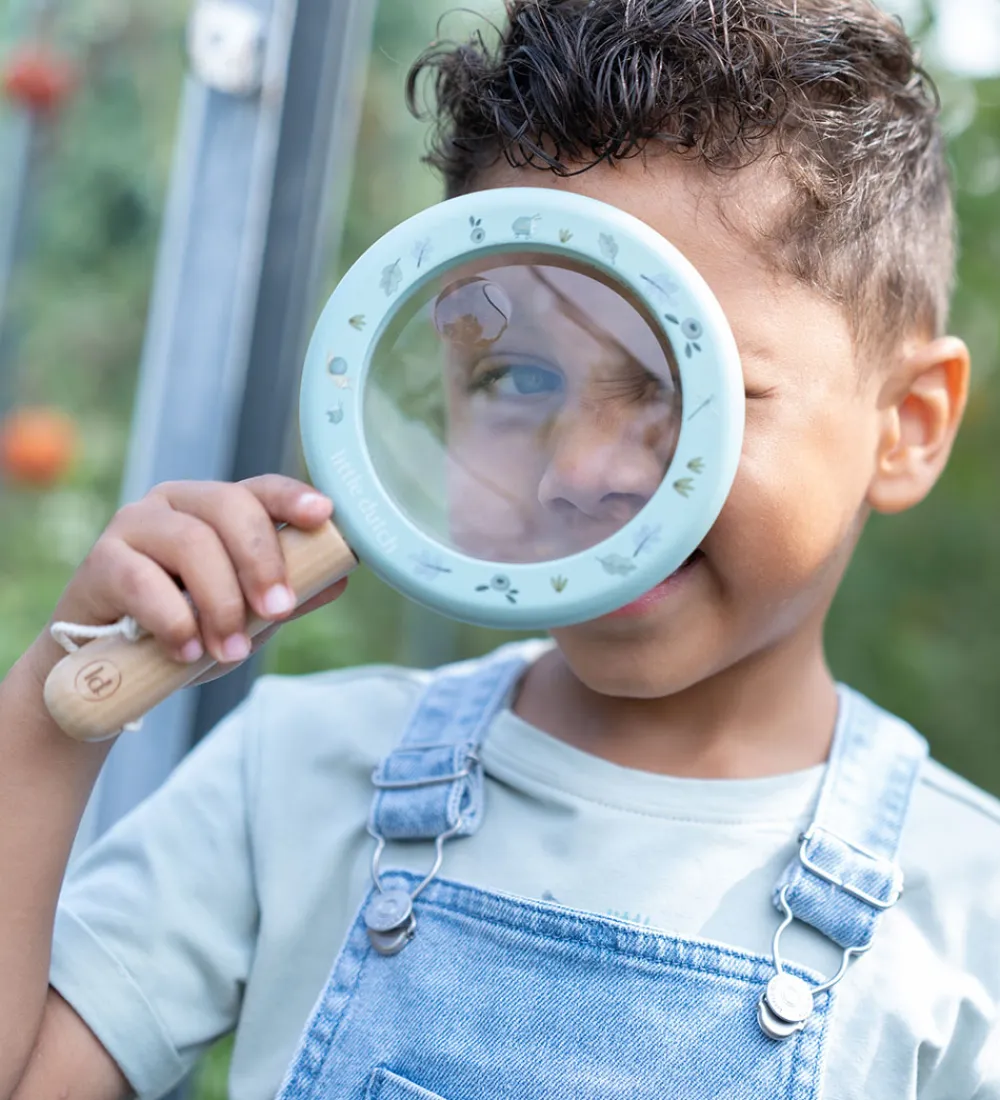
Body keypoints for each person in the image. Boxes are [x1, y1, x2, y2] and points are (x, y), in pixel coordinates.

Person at [2, 1, 997, 1097]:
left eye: (685, 384)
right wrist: (51, 702)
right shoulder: (294, 777)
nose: (580, 467)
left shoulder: (968, 911)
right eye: (517, 377)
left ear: (904, 424)